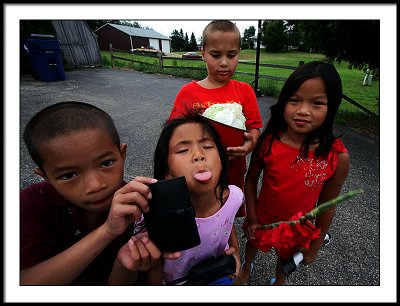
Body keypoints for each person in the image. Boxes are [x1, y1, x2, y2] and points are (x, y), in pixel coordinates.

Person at [20, 101, 162, 285]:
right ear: (45, 176)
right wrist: (107, 231)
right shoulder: (32, 204)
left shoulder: (139, 204)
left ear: (122, 155)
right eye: (69, 175)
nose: (95, 186)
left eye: (106, 163)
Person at [235, 60, 350, 286]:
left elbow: (329, 205)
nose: (303, 111)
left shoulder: (337, 156)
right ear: (284, 101)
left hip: (298, 227)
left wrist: (315, 244)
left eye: (317, 103)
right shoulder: (269, 142)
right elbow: (250, 180)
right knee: (253, 245)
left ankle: (279, 282)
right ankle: (246, 267)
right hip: (262, 218)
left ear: (332, 106)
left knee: (285, 259)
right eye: (294, 100)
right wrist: (254, 217)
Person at [134, 113, 243, 285]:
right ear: (167, 172)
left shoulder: (235, 196)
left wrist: (235, 250)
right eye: (183, 150)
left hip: (216, 272)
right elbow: (151, 264)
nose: (199, 155)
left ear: (222, 161)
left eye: (207, 146)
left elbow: (228, 221)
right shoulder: (154, 213)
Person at [169, 20, 263, 217]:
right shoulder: (188, 92)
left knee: (227, 210)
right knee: (201, 211)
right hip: (199, 168)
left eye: (231, 55)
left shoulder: (245, 91)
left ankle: (228, 241)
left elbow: (254, 127)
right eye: (215, 54)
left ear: (239, 53)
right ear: (203, 53)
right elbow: (173, 133)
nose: (224, 62)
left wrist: (249, 144)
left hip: (233, 169)